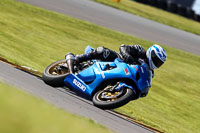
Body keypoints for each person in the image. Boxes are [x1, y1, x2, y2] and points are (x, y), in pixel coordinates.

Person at [65, 44, 167, 74]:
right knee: (103, 51)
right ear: (151, 54)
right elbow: (123, 47)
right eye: (156, 60)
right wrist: (128, 57)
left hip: (123, 73)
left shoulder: (150, 72)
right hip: (116, 60)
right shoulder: (140, 50)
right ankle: (77, 58)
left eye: (159, 63)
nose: (156, 63)